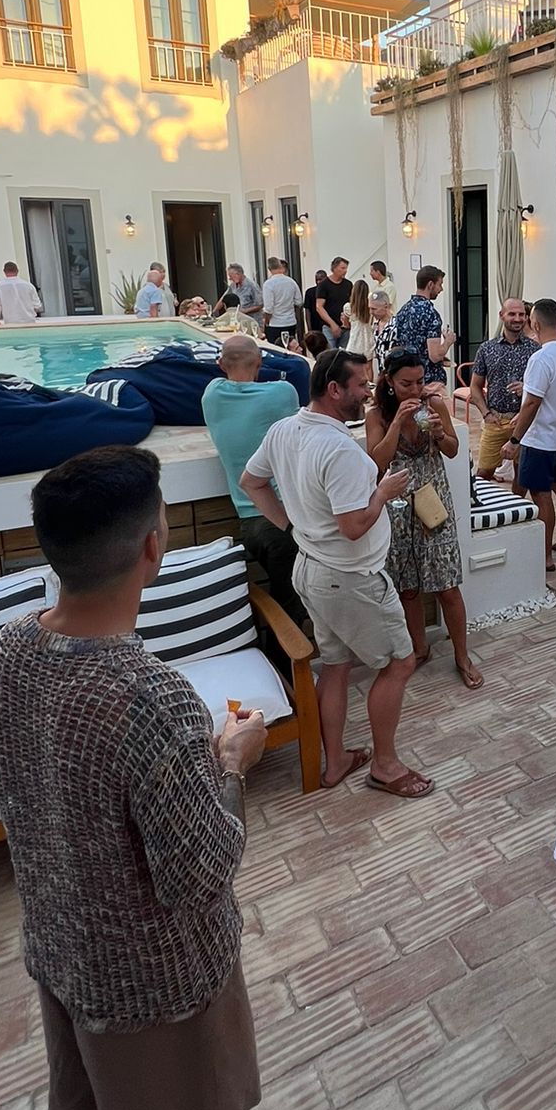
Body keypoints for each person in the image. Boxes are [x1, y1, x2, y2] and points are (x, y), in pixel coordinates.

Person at [0, 446, 281, 1110]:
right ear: (154, 546)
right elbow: (201, 867)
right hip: (150, 974)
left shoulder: (10, 652)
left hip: (59, 941)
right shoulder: (148, 698)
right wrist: (231, 762)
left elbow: (4, 770)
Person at [240, 348, 430, 798]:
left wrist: (291, 527)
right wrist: (382, 493)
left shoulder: (284, 430)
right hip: (351, 578)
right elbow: (353, 527)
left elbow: (252, 483)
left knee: (336, 666)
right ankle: (385, 766)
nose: (368, 392)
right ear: (334, 389)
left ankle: (336, 762)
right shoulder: (339, 450)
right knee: (400, 663)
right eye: (361, 385)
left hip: (312, 571)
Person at [364, 349, 483, 690]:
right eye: (406, 383)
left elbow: (453, 450)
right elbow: (377, 464)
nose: (415, 389)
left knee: (448, 586)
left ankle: (462, 656)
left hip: (434, 504)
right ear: (389, 381)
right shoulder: (377, 416)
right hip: (399, 508)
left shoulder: (434, 405)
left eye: (419, 381)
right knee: (408, 588)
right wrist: (397, 423)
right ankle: (419, 648)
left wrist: (439, 433)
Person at [201, 335, 309, 629]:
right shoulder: (282, 394)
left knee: (283, 605)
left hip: (249, 524)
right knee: (291, 612)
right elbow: (296, 367)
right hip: (282, 519)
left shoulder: (211, 395)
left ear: (220, 364)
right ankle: (287, 660)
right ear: (259, 362)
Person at [503, 297, 556, 571]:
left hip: (541, 441)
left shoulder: (540, 358)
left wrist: (514, 440)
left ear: (535, 324)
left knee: (541, 495)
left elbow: (532, 403)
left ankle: (545, 556)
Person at [469, 297, 540, 482]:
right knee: (483, 474)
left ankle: (518, 501)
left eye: (521, 314)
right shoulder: (486, 349)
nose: (517, 318)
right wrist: (486, 414)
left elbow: (542, 389)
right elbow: (475, 386)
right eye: (512, 314)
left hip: (524, 422)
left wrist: (526, 388)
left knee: (522, 477)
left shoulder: (535, 350)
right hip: (496, 421)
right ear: (502, 316)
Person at [391, 265, 451, 385]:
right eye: (440, 284)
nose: (441, 289)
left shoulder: (403, 311)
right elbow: (434, 355)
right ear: (430, 285)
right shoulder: (431, 314)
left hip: (408, 377)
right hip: (428, 380)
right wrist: (448, 341)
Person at [260, 257, 304, 346]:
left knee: (276, 348)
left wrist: (266, 322)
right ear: (280, 267)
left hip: (275, 324)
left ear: (269, 269)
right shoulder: (291, 282)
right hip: (290, 322)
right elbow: (299, 302)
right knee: (290, 347)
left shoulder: (268, 284)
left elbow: (269, 309)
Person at [311, 256, 353, 347]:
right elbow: (319, 307)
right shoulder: (324, 285)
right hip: (329, 326)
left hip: (345, 326)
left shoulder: (348, 284)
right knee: (331, 351)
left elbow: (351, 303)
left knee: (344, 352)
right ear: (334, 268)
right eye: (342, 268)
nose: (345, 271)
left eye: (346, 268)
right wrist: (332, 324)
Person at [0, 259, 43, 324]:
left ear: (4, 271)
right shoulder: (29, 286)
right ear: (17, 271)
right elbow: (37, 306)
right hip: (29, 322)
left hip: (11, 324)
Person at [344, 278, 375, 358]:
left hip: (354, 342)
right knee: (368, 364)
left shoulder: (348, 307)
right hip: (368, 341)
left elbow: (347, 325)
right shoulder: (370, 308)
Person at [369, 289, 396, 375]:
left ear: (386, 306)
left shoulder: (396, 326)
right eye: (370, 308)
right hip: (382, 373)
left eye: (374, 309)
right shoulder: (375, 326)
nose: (371, 312)